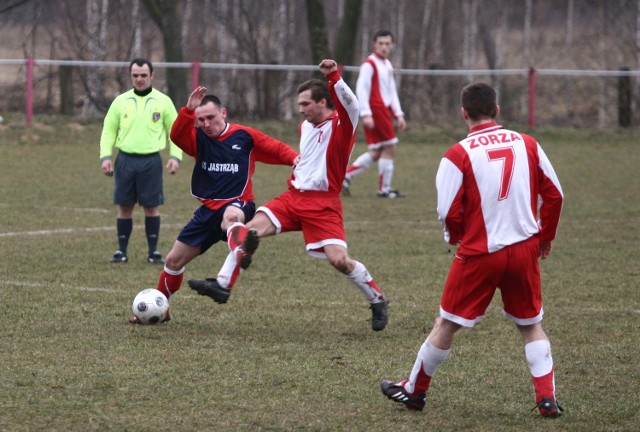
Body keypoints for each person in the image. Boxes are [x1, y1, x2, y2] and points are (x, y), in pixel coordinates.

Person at [380, 83, 564, 417]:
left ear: (463, 112)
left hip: (480, 253)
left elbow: (447, 210)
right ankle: (547, 397)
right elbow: (555, 194)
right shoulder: (528, 143)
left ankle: (415, 391)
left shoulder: (457, 154)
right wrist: (544, 236)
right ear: (497, 110)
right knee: (530, 325)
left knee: (446, 323)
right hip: (523, 250)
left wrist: (457, 237)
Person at [188, 59, 389, 332]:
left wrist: (334, 77)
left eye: (305, 104)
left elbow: (351, 104)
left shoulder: (342, 126)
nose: (300, 110)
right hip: (293, 198)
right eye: (299, 105)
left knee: (339, 260)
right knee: (247, 232)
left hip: (323, 203)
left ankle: (377, 299)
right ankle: (223, 284)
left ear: (322, 102)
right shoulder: (304, 127)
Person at [128, 86, 299, 324]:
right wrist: (188, 111)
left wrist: (295, 159)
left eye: (211, 117)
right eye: (201, 120)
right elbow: (176, 136)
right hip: (207, 211)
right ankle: (162, 309)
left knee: (231, 216)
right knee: (173, 261)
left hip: (239, 203)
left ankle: (242, 249)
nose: (206, 124)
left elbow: (277, 148)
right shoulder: (198, 139)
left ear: (224, 113)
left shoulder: (244, 136)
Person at [100, 58, 183, 264]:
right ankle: (122, 251)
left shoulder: (163, 101)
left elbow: (176, 133)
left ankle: (153, 252)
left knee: (151, 206)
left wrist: (175, 157)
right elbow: (108, 131)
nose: (139, 79)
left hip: (151, 161)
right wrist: (106, 157)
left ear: (152, 76)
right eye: (135, 75)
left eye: (143, 75)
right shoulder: (120, 101)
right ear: (131, 76)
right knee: (125, 206)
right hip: (125, 160)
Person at [342, 30, 407, 199]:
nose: (384, 47)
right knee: (390, 146)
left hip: (382, 111)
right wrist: (366, 113)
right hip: (375, 111)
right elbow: (362, 89)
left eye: (387, 43)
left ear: (392, 45)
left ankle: (346, 176)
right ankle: (384, 190)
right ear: (374, 44)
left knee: (378, 150)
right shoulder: (369, 64)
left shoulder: (386, 65)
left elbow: (391, 92)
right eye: (381, 43)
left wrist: (399, 114)